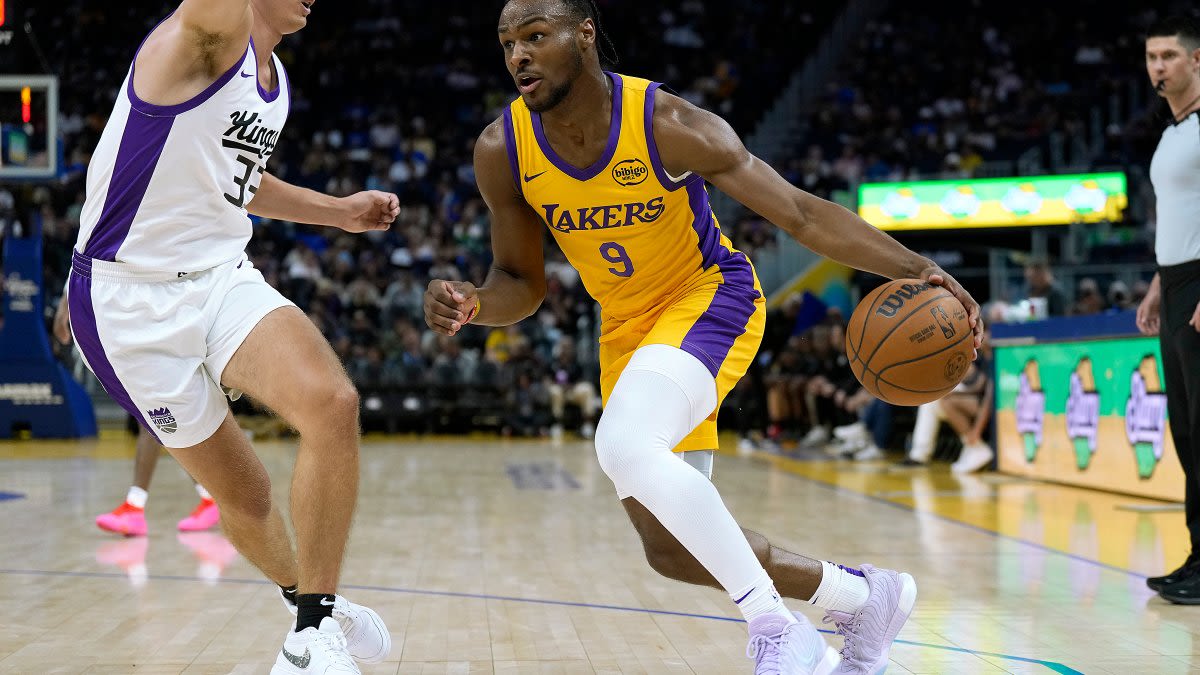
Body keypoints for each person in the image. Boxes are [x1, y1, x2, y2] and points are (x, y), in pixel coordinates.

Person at [423, 1, 983, 672]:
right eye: (507, 42)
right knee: (672, 549)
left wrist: (921, 268)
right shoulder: (501, 148)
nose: (518, 55)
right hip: (627, 327)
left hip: (709, 296)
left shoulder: (669, 124)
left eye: (536, 37)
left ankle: (777, 627)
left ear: (585, 35)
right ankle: (863, 596)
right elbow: (521, 280)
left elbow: (801, 214)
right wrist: (474, 303)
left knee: (624, 443)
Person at [67, 1, 397, 671]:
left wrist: (338, 213)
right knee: (245, 496)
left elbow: (236, 184)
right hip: (126, 301)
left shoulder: (274, 83)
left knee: (332, 402)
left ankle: (312, 629)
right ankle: (306, 603)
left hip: (218, 273)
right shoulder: (206, 36)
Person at [55, 296, 221, 536]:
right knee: (164, 422)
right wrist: (67, 299)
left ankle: (139, 506)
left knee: (158, 419)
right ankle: (210, 499)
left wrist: (67, 299)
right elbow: (85, 257)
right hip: (151, 321)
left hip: (172, 318)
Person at [1138, 15, 1200, 606]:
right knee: (1186, 431)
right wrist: (1160, 285)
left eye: (1169, 56)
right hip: (1178, 282)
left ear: (1197, 61)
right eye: (1152, 57)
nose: (1158, 67)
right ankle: (1197, 556)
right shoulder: (1173, 133)